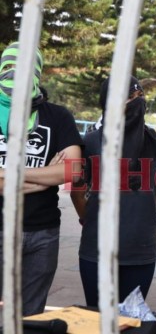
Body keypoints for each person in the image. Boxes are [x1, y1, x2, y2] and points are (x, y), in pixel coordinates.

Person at [70, 76, 156, 306]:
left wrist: (138, 216)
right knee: (98, 319)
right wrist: (92, 218)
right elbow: (77, 191)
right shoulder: (91, 142)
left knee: (130, 321)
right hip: (96, 251)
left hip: (140, 252)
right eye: (129, 97)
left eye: (140, 96)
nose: (138, 102)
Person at [0, 42, 83, 316]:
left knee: (31, 316)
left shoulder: (57, 116)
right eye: (10, 67)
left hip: (43, 234)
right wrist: (47, 176)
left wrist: (10, 176)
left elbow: (72, 171)